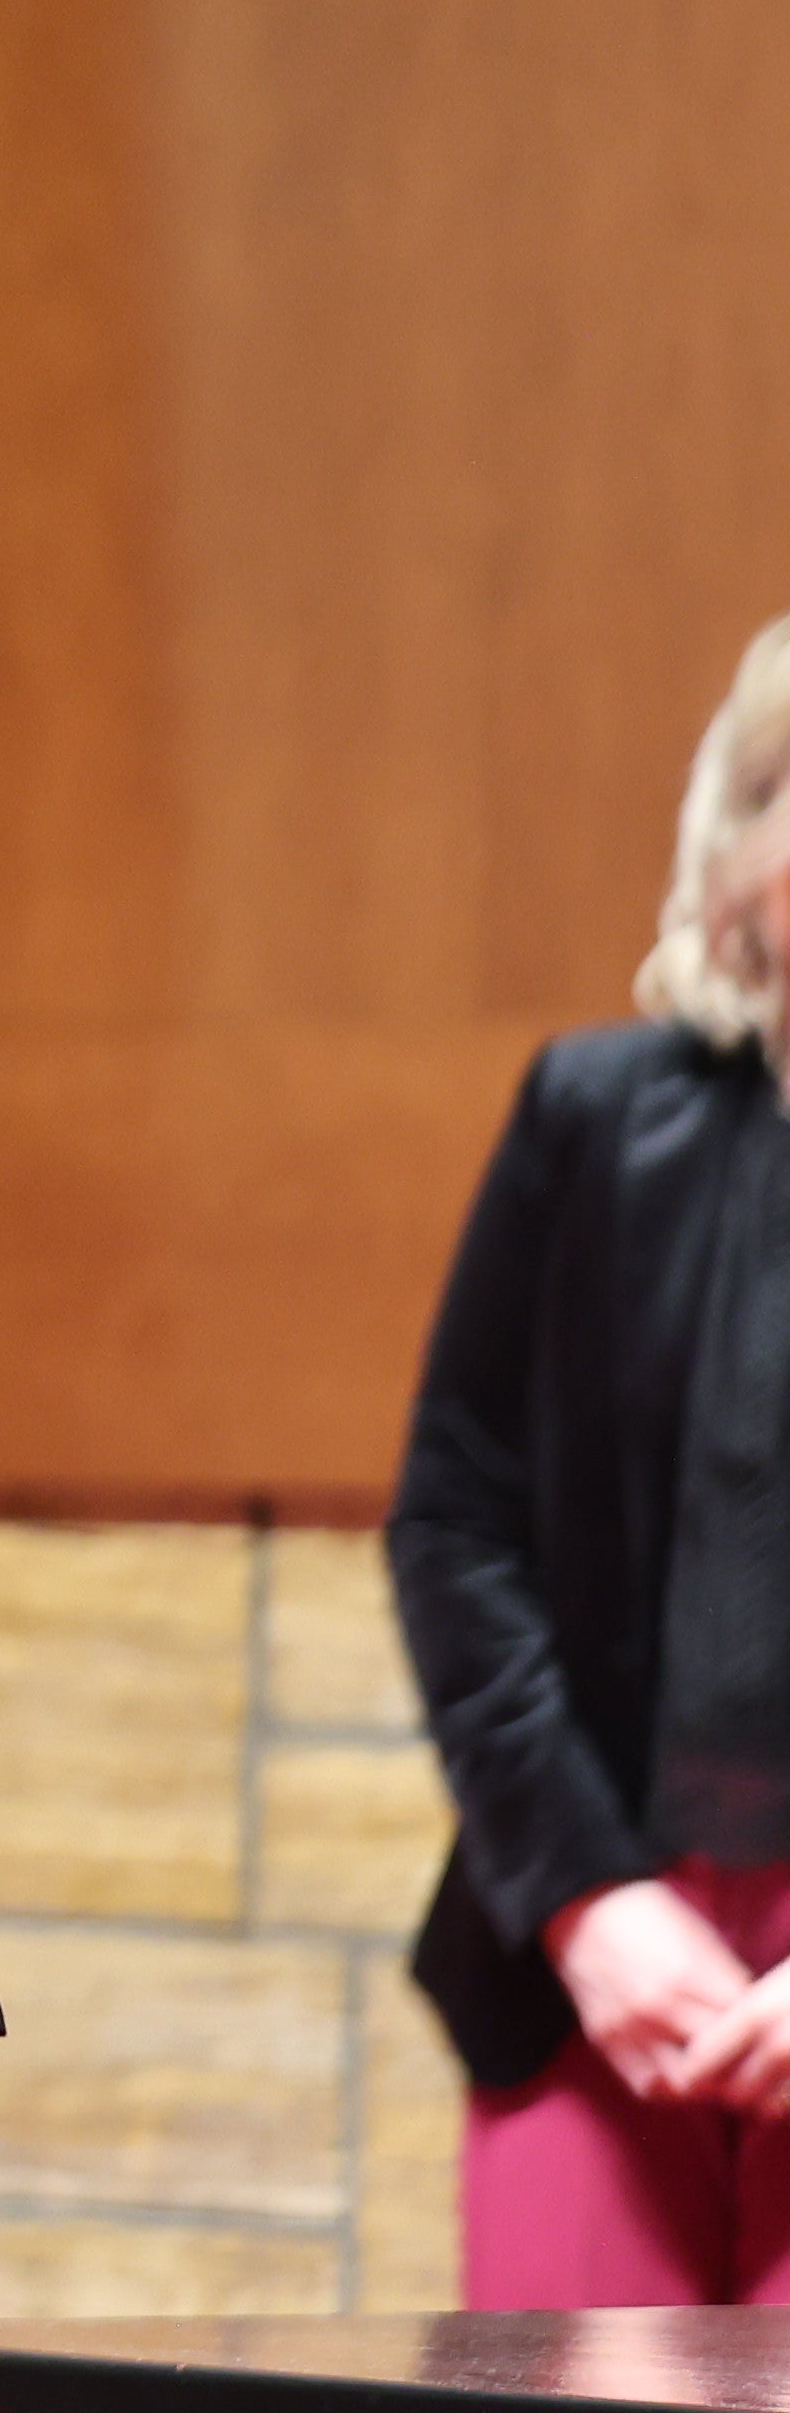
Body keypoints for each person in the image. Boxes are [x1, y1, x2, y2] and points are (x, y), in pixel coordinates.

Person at [393, 613, 790, 2302]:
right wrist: (583, 1899)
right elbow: (456, 1526)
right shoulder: (589, 1118)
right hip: (592, 1950)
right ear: (748, 844)